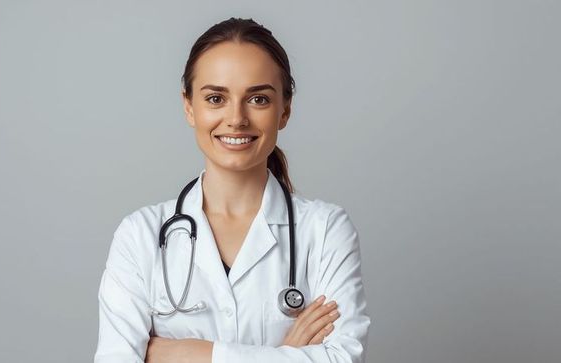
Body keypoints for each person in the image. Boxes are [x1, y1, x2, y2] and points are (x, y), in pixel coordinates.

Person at [93, 17, 371, 363]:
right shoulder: (140, 236)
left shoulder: (326, 230)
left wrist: (189, 353)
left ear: (285, 109)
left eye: (257, 99)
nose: (236, 118)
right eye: (215, 98)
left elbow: (343, 359)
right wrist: (286, 354)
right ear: (189, 106)